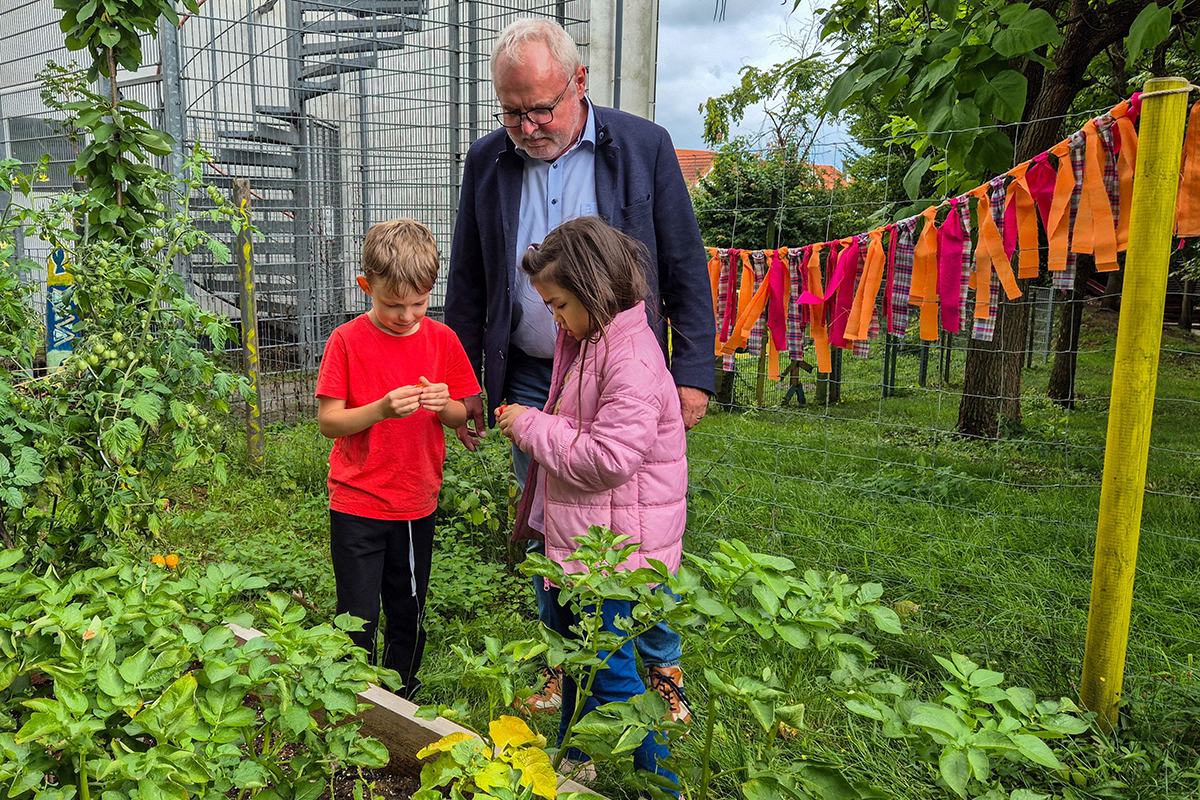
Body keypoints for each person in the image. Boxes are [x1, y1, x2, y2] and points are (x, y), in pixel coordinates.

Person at [444, 16, 713, 722]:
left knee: (637, 529)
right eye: (511, 112)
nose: (527, 125)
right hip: (532, 373)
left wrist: (692, 369)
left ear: (578, 83)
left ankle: (659, 662)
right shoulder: (486, 161)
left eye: (540, 108)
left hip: (625, 368)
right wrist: (466, 385)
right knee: (549, 524)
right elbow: (470, 281)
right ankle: (566, 664)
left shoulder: (643, 147)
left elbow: (683, 261)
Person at [497, 217, 686, 791]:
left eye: (557, 306)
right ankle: (574, 755)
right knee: (577, 655)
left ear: (593, 290)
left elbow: (608, 459)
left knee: (612, 672)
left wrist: (530, 425)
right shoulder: (598, 340)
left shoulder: (628, 357)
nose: (553, 318)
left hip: (614, 555)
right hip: (587, 541)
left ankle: (662, 783)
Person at [315, 219, 480, 699]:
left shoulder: (442, 340)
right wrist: (382, 409)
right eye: (392, 304)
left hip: (413, 503)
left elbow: (459, 414)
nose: (407, 315)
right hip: (356, 502)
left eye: (419, 303)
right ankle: (351, 697)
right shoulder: (346, 341)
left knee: (408, 609)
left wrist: (443, 405)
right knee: (356, 615)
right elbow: (330, 421)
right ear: (367, 287)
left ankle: (402, 696)